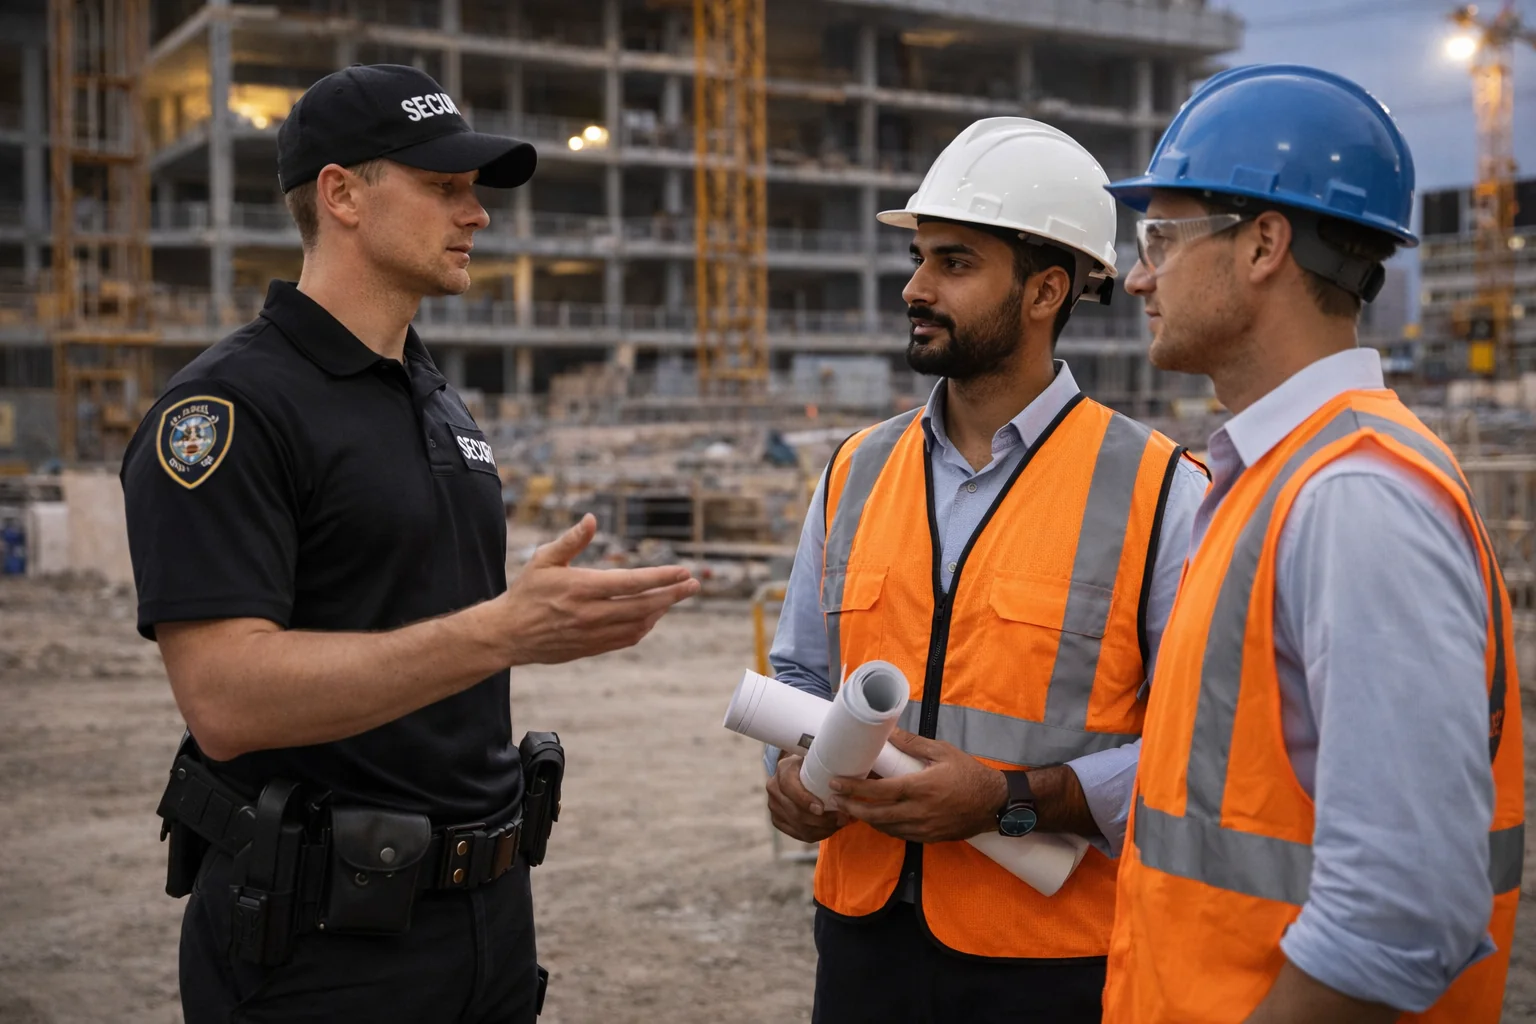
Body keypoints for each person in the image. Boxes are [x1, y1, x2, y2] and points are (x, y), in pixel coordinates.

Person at [120, 64, 699, 1024]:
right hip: (320, 943)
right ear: (342, 193)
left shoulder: (435, 398)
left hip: (483, 919)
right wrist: (503, 632)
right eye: (444, 187)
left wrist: (525, 619)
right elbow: (224, 697)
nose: (475, 215)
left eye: (473, 190)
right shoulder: (230, 409)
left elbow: (406, 608)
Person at [1100, 64, 1524, 1024]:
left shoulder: (1353, 498)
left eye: (1159, 237)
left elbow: (1403, 911)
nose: (1136, 273)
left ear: (1263, 245)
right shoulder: (1274, 478)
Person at [764, 117, 1209, 1023]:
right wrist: (789, 774)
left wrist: (1005, 799)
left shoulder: (1165, 491)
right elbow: (801, 673)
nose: (915, 287)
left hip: (1050, 957)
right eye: (921, 258)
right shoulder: (855, 467)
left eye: (954, 263)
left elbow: (1192, 751)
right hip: (861, 938)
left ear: (1047, 290)